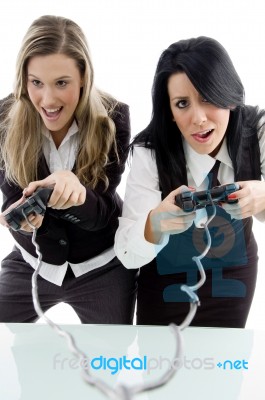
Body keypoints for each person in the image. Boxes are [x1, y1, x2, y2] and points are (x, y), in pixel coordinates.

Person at [115, 36, 265, 328]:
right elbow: (127, 255)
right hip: (164, 285)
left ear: (230, 96)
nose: (198, 118)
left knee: (225, 368)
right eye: (182, 104)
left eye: (208, 97)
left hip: (235, 279)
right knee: (159, 368)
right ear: (169, 111)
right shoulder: (150, 152)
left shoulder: (257, 131)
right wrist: (154, 223)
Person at [0, 15, 138, 324]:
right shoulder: (3, 118)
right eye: (36, 83)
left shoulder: (114, 118)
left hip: (101, 265)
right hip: (31, 263)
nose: (47, 100)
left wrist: (77, 194)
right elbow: (10, 195)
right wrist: (21, 214)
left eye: (61, 83)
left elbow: (102, 213)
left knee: (107, 363)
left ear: (83, 78)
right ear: (24, 80)